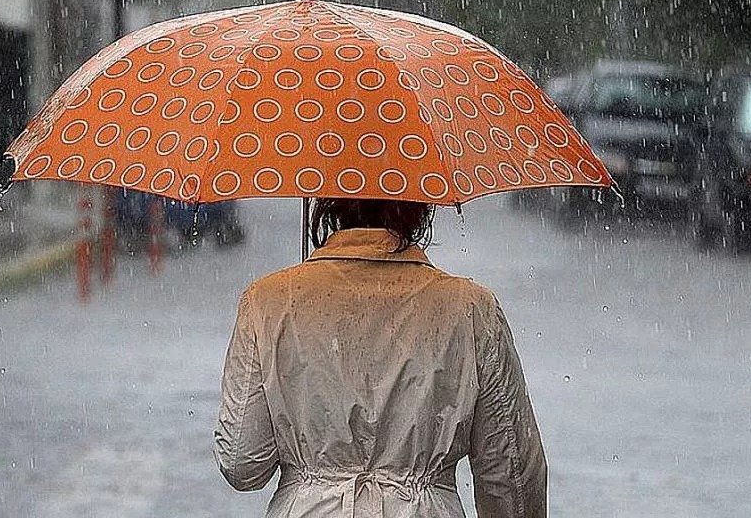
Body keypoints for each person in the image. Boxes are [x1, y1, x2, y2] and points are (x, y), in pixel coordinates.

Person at [213, 198, 548, 517]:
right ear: (421, 204)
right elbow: (512, 474)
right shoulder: (470, 308)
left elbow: (243, 464)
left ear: (326, 198)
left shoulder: (268, 301)